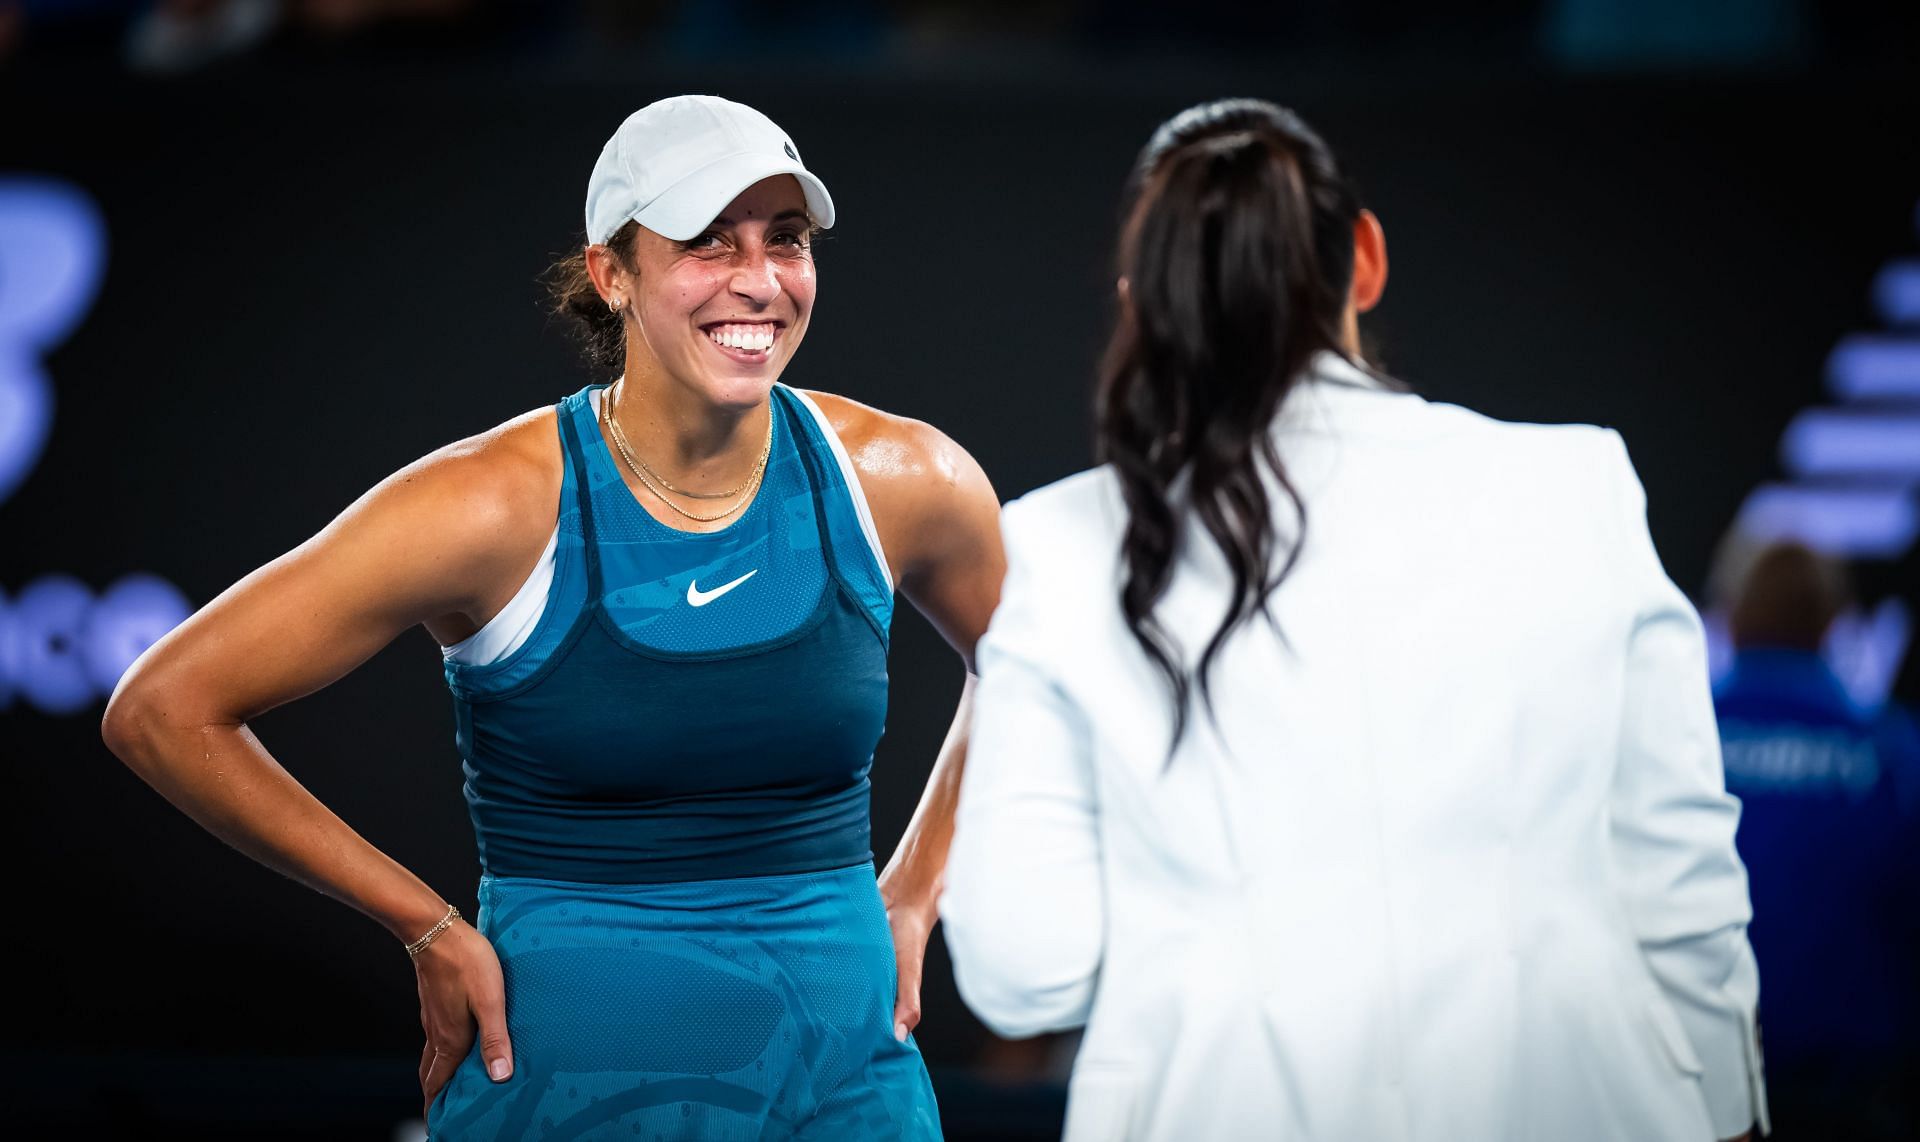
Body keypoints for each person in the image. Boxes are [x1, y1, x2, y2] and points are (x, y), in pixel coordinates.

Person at [100, 94, 1003, 1140]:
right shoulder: (491, 503)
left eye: (786, 241)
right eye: (709, 243)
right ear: (611, 273)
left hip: (848, 1079)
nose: (760, 279)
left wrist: (919, 884)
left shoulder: (902, 477)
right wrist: (424, 923)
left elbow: (1039, 668)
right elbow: (164, 707)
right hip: (571, 1088)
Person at [940, 98, 1767, 1142]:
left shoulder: (1058, 543)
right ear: (1364, 260)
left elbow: (1025, 969)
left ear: (1140, 302)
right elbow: (1684, 883)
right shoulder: (1576, 481)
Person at [1712, 540, 1919, 1139]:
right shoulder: (1892, 758)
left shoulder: (1677, 748)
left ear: (1728, 614)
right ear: (1834, 623)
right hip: (1852, 1101)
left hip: (1704, 1107)